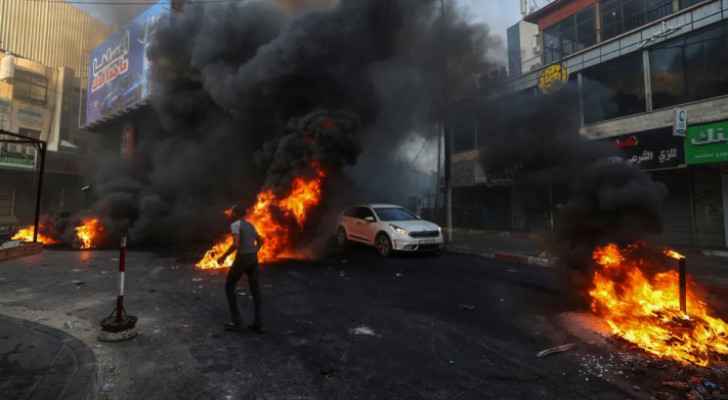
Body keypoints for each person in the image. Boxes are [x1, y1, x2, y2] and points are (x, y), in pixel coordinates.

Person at [218, 205, 263, 333]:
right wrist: (255, 250)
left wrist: (223, 256)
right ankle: (258, 323)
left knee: (229, 286)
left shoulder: (235, 225)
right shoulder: (250, 225)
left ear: (236, 214)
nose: (231, 214)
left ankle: (237, 322)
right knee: (255, 290)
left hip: (242, 258)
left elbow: (236, 244)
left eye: (232, 212)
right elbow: (261, 240)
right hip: (253, 258)